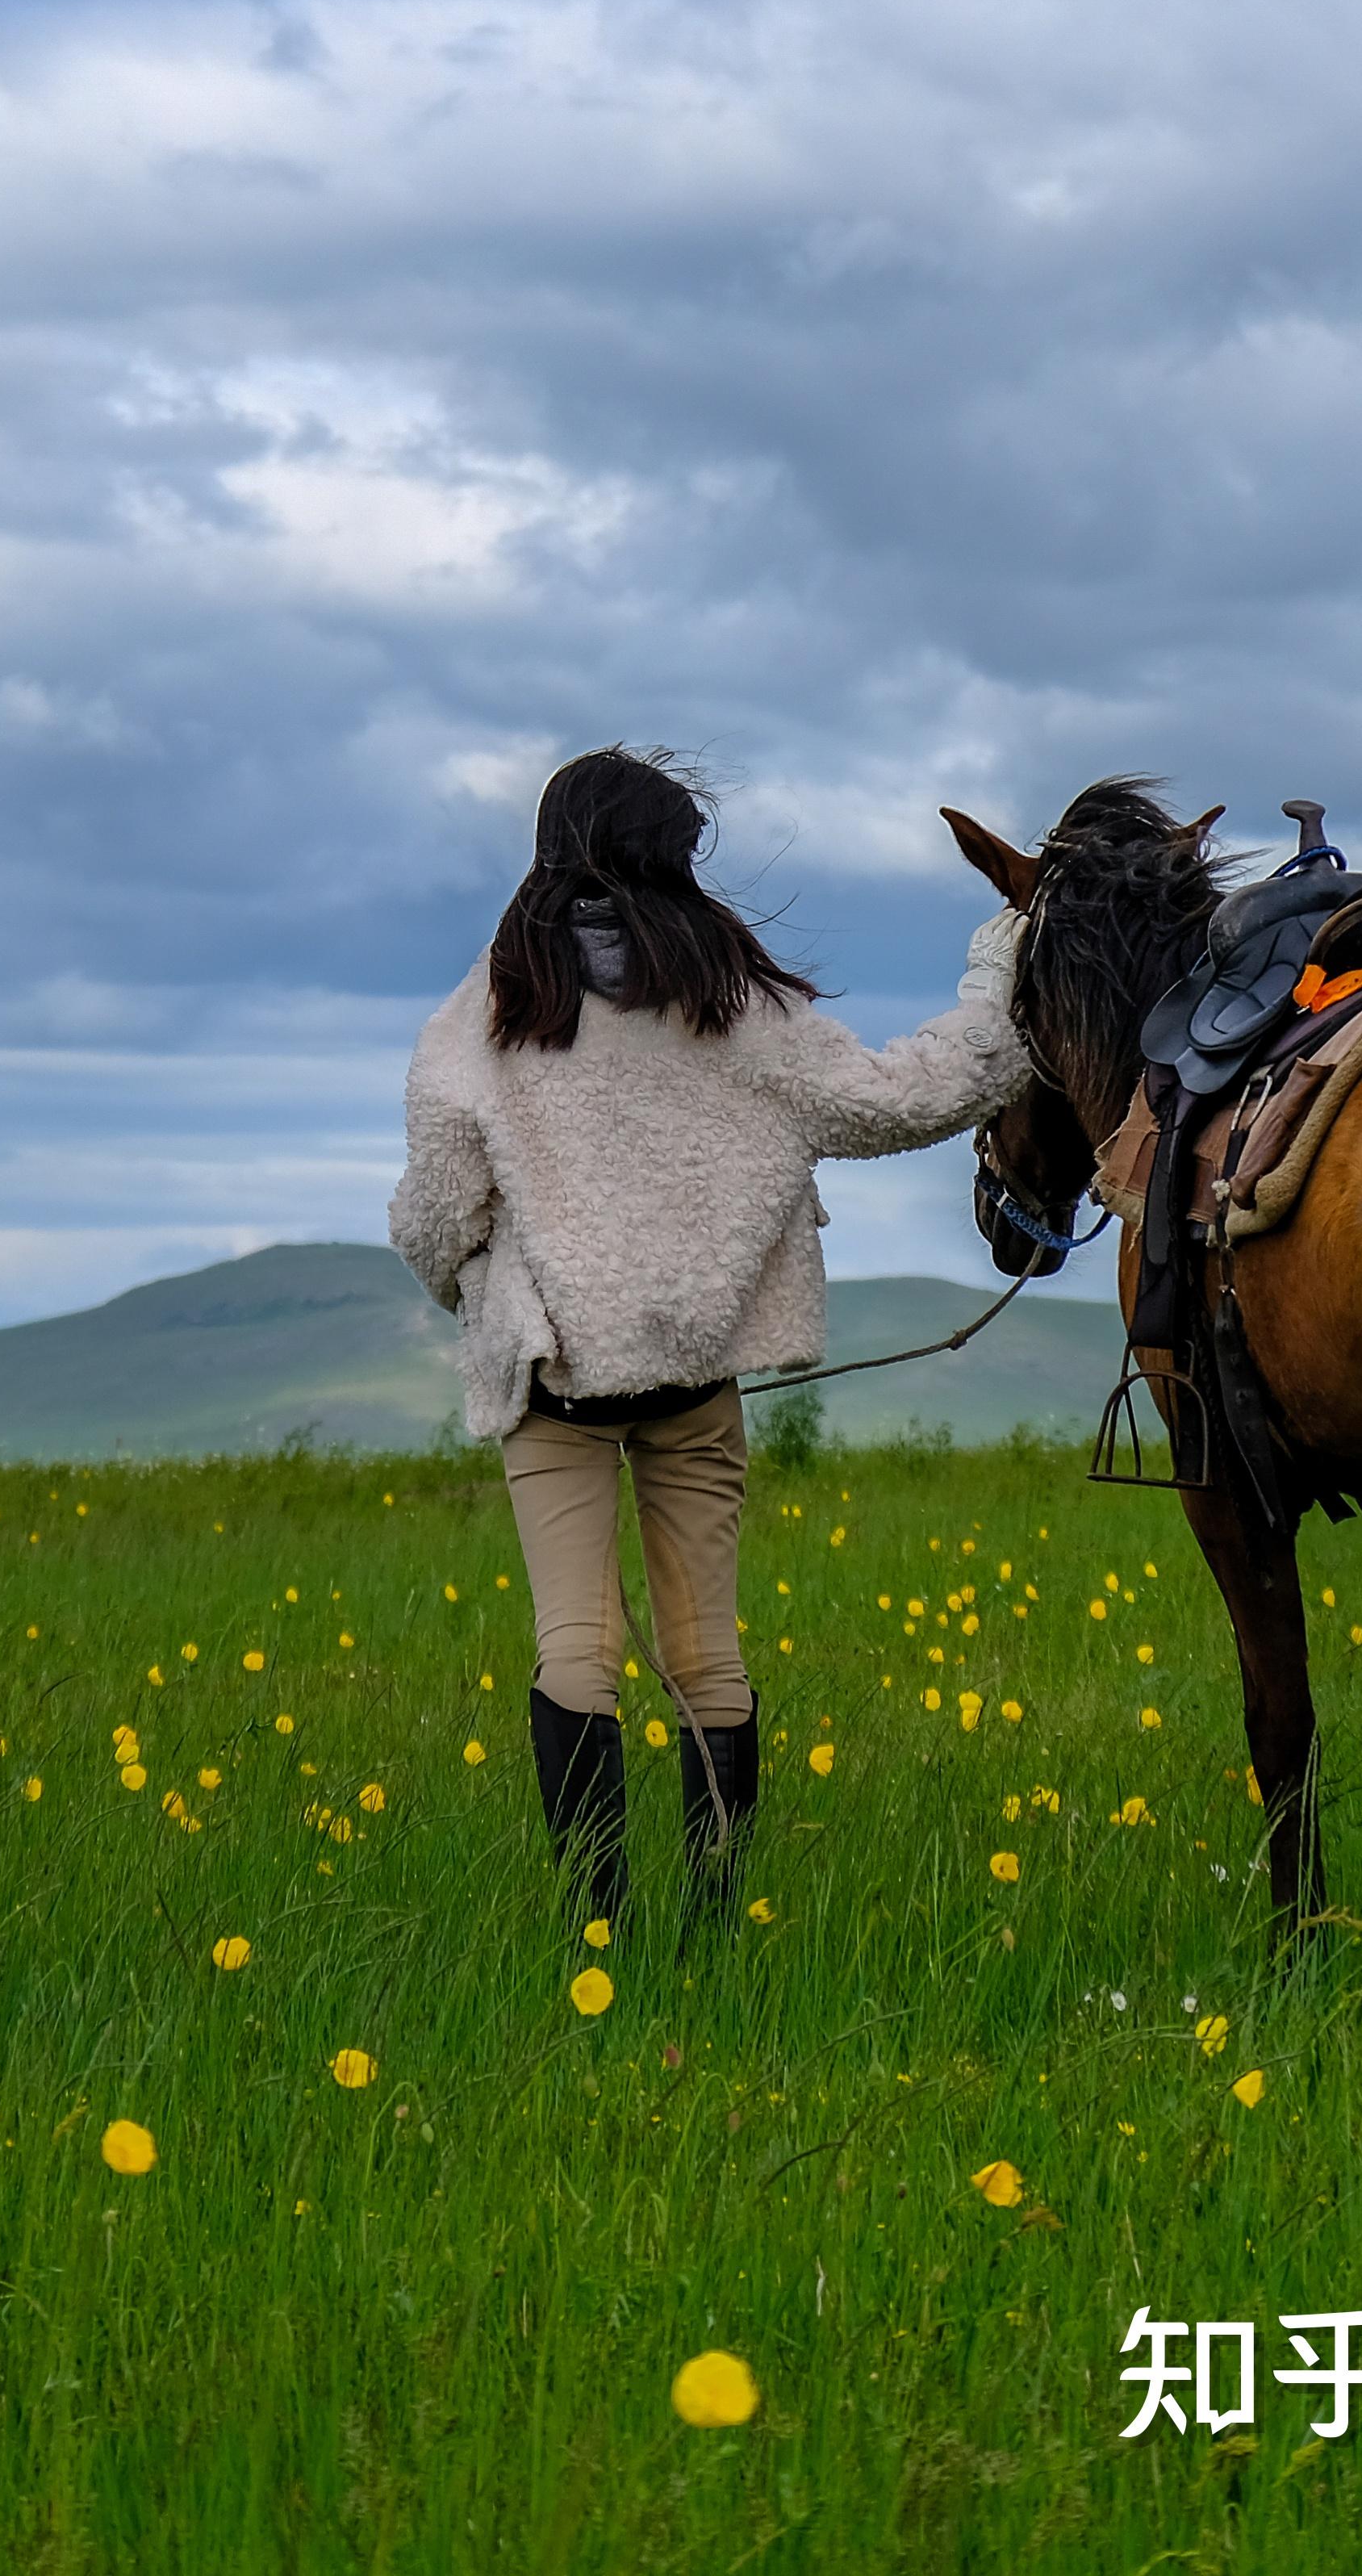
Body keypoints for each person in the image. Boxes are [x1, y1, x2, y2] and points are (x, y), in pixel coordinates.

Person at [388, 746, 1030, 1933]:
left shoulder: (483, 1015)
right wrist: (994, 988)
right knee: (707, 1656)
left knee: (574, 1650)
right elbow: (903, 1099)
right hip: (697, 1382)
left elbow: (436, 1212)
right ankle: (714, 1923)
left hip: (554, 1383)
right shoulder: (734, 1004)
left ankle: (600, 1928)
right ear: (670, 858)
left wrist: (475, 1288)